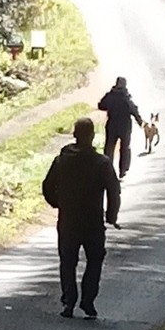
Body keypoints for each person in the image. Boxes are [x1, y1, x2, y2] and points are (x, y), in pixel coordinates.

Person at [42, 117, 121, 319]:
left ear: (74, 135)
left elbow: (47, 186)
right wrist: (111, 216)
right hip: (93, 222)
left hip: (68, 221)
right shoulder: (102, 163)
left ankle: (69, 302)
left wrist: (59, 204)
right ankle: (88, 301)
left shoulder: (61, 161)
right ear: (93, 136)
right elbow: (114, 190)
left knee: (68, 262)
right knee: (95, 260)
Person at [97, 76, 144, 178]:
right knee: (125, 148)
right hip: (125, 126)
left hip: (112, 125)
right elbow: (133, 110)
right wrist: (140, 121)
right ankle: (123, 170)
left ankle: (107, 170)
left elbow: (101, 105)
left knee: (109, 148)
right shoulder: (126, 97)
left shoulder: (110, 95)